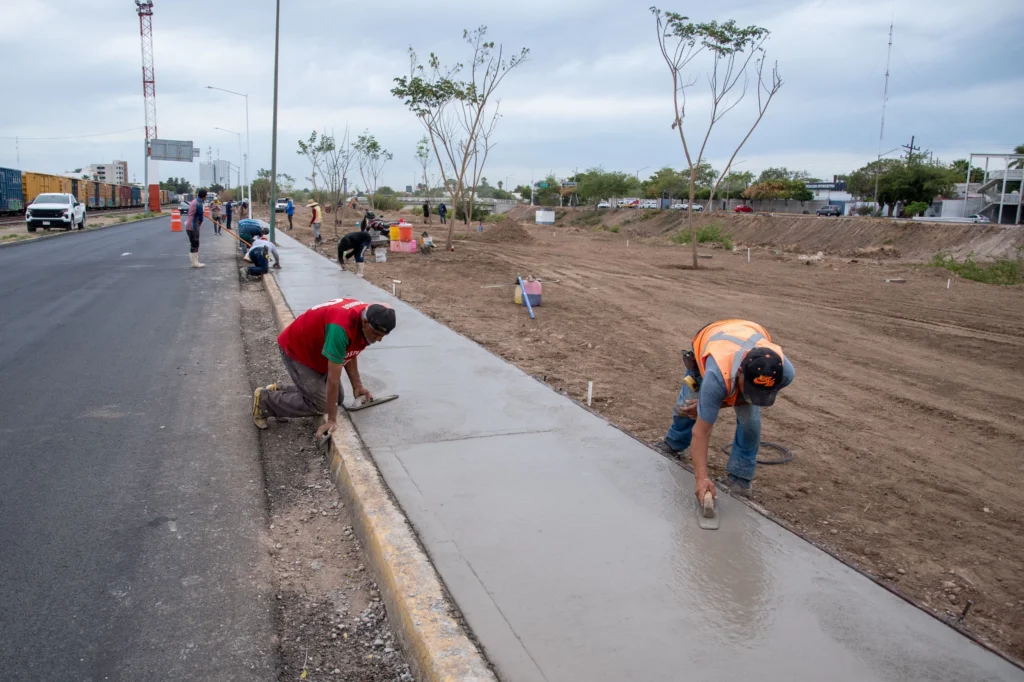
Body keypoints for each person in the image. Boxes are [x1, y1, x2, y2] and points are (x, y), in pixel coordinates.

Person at [657, 319, 795, 500]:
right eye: (751, 390)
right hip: (712, 340)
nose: (752, 397)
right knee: (686, 406)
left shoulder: (785, 372)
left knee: (750, 421)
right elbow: (702, 431)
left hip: (746, 331)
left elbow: (743, 398)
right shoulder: (715, 376)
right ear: (740, 373)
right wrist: (701, 478)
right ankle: (674, 444)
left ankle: (740, 477)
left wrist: (715, 405)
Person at [252, 299, 397, 437]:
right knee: (323, 405)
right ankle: (265, 401)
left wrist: (357, 386)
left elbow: (350, 349)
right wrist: (332, 420)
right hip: (298, 351)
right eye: (376, 334)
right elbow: (333, 379)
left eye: (383, 336)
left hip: (318, 353)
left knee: (337, 399)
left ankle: (277, 392)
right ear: (365, 322)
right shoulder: (341, 328)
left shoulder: (369, 314)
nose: (379, 339)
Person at [185, 189, 207, 268]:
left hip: (188, 225)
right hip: (193, 226)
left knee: (193, 243)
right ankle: (195, 263)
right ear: (204, 196)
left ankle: (194, 262)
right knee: (195, 243)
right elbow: (201, 219)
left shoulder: (194, 201)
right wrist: (198, 226)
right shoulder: (199, 203)